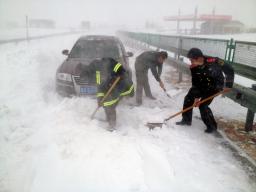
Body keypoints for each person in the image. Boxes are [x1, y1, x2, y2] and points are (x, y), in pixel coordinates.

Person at [176, 48, 234, 133]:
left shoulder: (214, 61)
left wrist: (228, 85)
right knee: (188, 98)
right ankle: (186, 120)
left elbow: (229, 69)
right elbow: (195, 82)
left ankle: (212, 127)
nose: (190, 62)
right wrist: (196, 97)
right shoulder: (194, 67)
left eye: (192, 59)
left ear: (199, 58)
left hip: (215, 86)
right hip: (202, 85)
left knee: (203, 105)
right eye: (190, 60)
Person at [88, 58, 134, 130]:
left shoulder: (109, 63)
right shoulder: (98, 73)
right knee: (106, 103)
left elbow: (118, 66)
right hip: (113, 86)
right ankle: (109, 118)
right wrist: (100, 99)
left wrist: (121, 72)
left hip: (122, 85)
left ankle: (112, 124)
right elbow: (100, 87)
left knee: (109, 103)